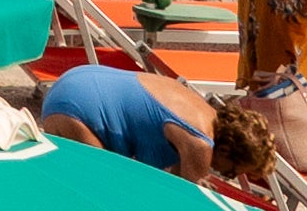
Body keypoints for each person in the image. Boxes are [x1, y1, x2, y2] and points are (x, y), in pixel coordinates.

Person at [32, 52, 212, 174]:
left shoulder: (199, 109)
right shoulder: (200, 143)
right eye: (230, 172)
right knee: (102, 190)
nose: (219, 172)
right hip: (80, 109)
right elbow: (186, 204)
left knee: (73, 179)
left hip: (76, 81)